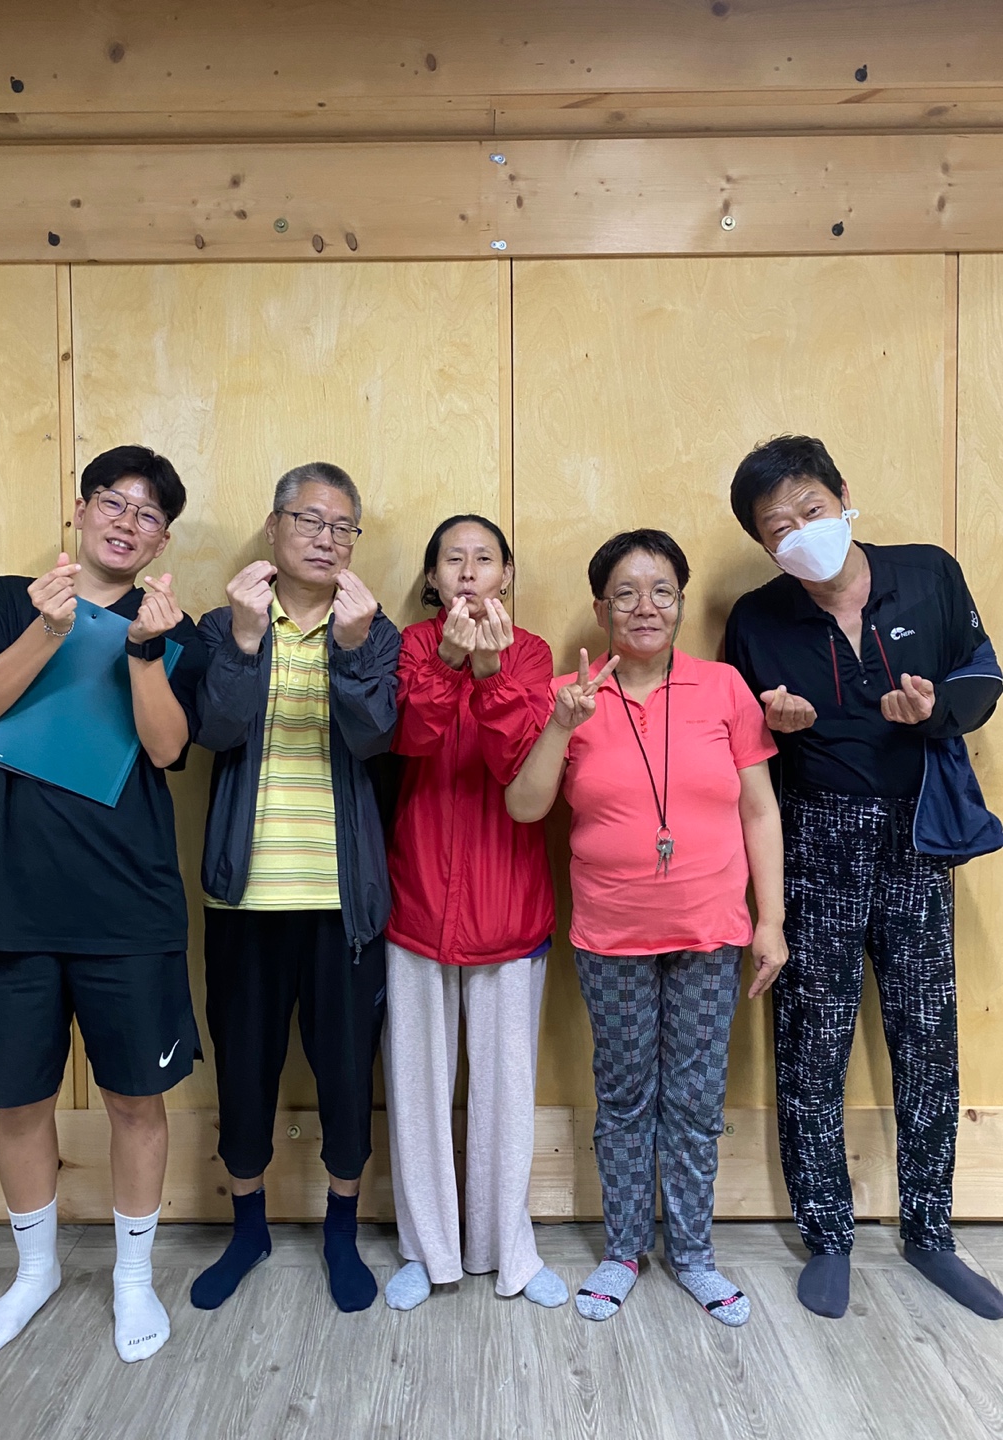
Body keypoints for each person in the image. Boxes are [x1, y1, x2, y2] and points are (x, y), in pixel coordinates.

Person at [725, 434, 1003, 1322]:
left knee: (928, 1035)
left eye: (811, 509)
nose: (800, 533)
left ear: (843, 495)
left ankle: (930, 1230)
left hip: (918, 831)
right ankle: (828, 1235)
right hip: (816, 834)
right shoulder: (757, 618)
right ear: (763, 543)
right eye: (778, 527)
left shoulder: (927, 573)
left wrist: (939, 708)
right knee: (814, 1039)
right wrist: (774, 724)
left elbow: (984, 674)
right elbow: (738, 746)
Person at [0, 445, 207, 1362]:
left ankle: (133, 1280)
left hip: (129, 903)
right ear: (82, 509)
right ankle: (36, 1272)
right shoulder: (10, 599)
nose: (126, 522)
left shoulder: (173, 624)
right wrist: (47, 630)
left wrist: (143, 652)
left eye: (147, 514)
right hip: (11, 896)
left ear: (162, 540)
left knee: (137, 1098)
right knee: (18, 1099)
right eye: (113, 502)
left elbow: (169, 748)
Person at [506, 529, 786, 1327]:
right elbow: (524, 807)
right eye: (625, 593)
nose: (645, 606)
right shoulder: (569, 695)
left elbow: (760, 810)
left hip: (711, 932)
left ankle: (693, 1254)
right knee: (625, 1097)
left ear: (681, 603)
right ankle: (624, 1250)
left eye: (661, 590)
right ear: (601, 609)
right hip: (611, 936)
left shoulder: (724, 688)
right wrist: (560, 725)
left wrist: (771, 921)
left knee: (695, 1099)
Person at [190, 461, 400, 1315]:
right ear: (274, 528)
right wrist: (244, 643)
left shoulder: (374, 628)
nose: (326, 538)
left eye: (343, 526)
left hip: (344, 901)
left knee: (347, 1074)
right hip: (244, 898)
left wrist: (351, 652)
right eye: (309, 520)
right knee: (245, 1072)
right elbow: (213, 729)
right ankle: (248, 1227)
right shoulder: (223, 621)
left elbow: (377, 737)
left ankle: (342, 1230)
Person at [381, 515, 568, 1312]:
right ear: (432, 579)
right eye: (452, 559)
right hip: (417, 897)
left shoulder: (531, 654)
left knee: (505, 1093)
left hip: (508, 904)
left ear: (506, 574)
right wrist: (450, 662)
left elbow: (517, 764)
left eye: (483, 558)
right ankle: (427, 1252)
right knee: (416, 1090)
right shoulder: (410, 646)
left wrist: (490, 673)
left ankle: (507, 1252)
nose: (467, 571)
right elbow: (409, 740)